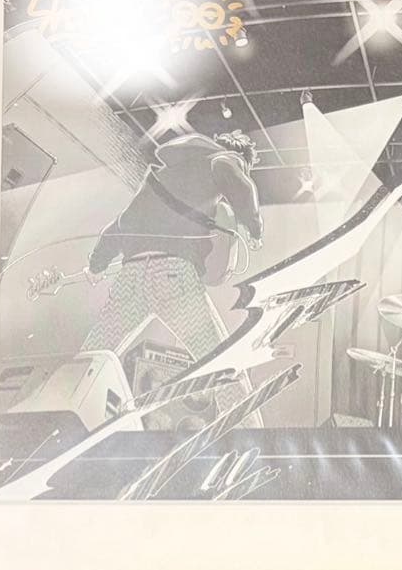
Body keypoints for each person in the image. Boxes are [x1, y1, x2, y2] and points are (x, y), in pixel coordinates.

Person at [81, 131, 265, 429]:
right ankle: (250, 433)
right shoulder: (222, 158)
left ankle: (58, 411)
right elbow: (234, 179)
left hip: (131, 276)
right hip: (173, 275)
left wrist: (96, 264)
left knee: (95, 353)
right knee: (218, 360)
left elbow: (121, 224)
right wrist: (254, 229)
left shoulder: (159, 176)